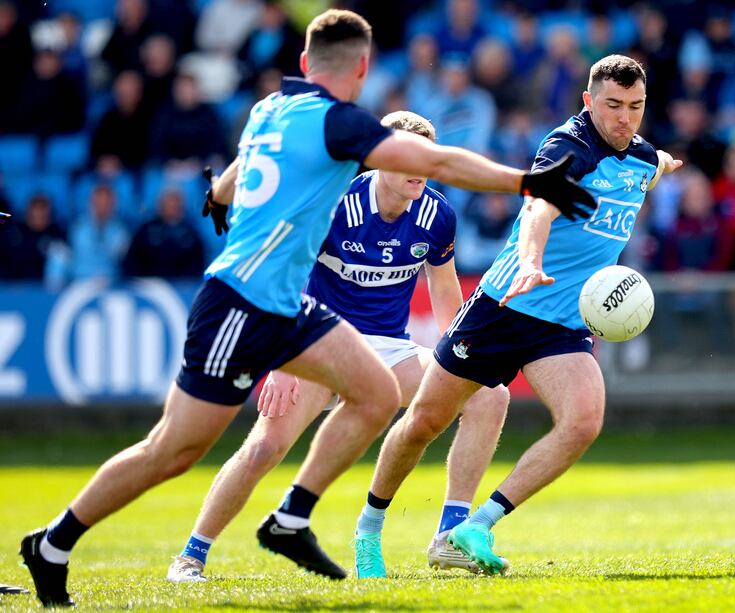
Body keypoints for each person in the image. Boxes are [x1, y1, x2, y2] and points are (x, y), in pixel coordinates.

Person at [19, 9, 594, 607]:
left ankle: (293, 517)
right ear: (364, 68)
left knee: (375, 394)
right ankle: (62, 542)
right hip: (242, 307)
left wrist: (217, 194)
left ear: (303, 64)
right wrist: (530, 182)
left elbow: (239, 172)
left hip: (291, 313)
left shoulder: (270, 108)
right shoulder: (341, 125)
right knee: (177, 449)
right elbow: (444, 162)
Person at [349, 55, 682, 577]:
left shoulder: (641, 157)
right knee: (423, 423)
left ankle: (472, 528)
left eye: (635, 107)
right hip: (505, 307)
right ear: (588, 102)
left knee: (582, 422)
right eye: (612, 106)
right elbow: (539, 209)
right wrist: (530, 262)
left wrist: (663, 163)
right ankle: (368, 531)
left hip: (565, 324)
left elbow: (649, 165)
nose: (624, 118)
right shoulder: (568, 148)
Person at [165, 112, 510, 583]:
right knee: (265, 447)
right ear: (378, 157)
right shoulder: (336, 201)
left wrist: (462, 358)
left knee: (490, 394)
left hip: (388, 349)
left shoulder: (435, 213)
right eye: (407, 157)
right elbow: (285, 274)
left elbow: (446, 295)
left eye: (427, 161)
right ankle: (190, 556)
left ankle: (449, 537)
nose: (419, 170)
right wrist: (284, 363)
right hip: (316, 344)